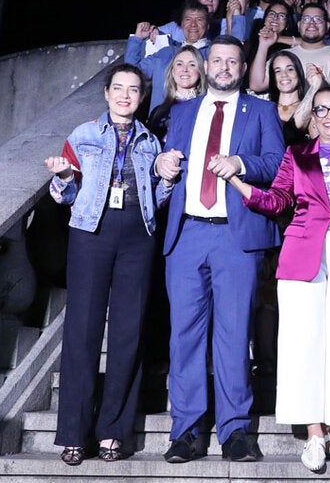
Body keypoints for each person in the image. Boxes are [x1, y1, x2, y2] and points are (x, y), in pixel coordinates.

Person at [228, 87, 330, 471]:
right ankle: (313, 433)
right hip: (303, 255)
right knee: (303, 342)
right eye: (322, 109)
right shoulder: (296, 155)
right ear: (312, 117)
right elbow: (277, 201)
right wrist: (237, 181)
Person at [152, 36, 286, 464]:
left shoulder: (261, 110)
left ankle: (236, 431)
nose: (224, 67)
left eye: (233, 61)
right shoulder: (183, 111)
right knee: (184, 336)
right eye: (218, 60)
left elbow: (279, 163)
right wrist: (162, 166)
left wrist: (241, 164)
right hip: (187, 234)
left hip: (236, 236)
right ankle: (186, 430)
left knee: (233, 336)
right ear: (206, 66)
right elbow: (168, 161)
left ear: (244, 68)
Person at [44, 63, 167, 465]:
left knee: (128, 334)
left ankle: (114, 432)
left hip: (138, 236)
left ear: (141, 96)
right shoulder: (82, 134)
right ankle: (74, 435)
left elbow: (159, 198)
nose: (125, 95)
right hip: (90, 234)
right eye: (118, 88)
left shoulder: (152, 140)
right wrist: (63, 177)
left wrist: (168, 178)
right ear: (106, 93)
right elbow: (63, 195)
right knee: (83, 330)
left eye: (133, 89)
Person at [126, 2, 214, 113]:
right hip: (160, 126)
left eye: (199, 19)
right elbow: (131, 73)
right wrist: (137, 39)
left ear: (208, 25)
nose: (193, 24)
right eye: (188, 19)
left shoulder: (214, 54)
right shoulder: (165, 53)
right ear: (181, 24)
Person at [146, 45, 206, 143]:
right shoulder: (158, 112)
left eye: (192, 64)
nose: (185, 69)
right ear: (172, 71)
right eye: (179, 64)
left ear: (200, 71)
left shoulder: (208, 108)